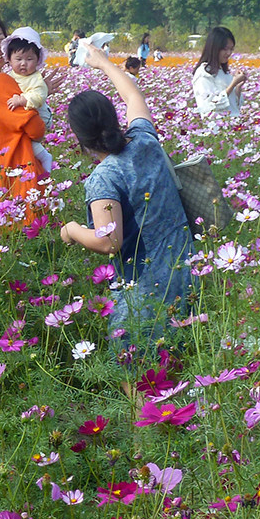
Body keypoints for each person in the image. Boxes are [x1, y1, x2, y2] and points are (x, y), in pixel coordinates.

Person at [60, 41, 194, 343]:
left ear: (79, 138)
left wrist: (72, 230)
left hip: (149, 284)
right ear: (114, 118)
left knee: (132, 363)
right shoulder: (144, 138)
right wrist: (104, 63)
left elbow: (109, 241)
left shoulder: (103, 178)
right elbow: (133, 94)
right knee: (184, 352)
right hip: (187, 263)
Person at [0, 16, 55, 223]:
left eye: (0, 40)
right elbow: (36, 130)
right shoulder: (0, 83)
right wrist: (40, 101)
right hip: (15, 180)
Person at [3, 27, 54, 174]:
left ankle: (45, 157)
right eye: (18, 59)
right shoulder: (9, 76)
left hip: (40, 115)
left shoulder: (36, 78)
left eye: (29, 59)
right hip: (26, 115)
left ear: (38, 60)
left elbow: (39, 97)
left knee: (28, 141)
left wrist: (22, 100)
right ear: (9, 59)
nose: (23, 63)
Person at [192, 26, 246, 117]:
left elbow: (234, 106)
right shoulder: (204, 73)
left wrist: (238, 87)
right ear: (214, 48)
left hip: (232, 124)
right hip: (217, 127)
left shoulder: (223, 72)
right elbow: (210, 106)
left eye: (231, 49)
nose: (229, 53)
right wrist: (233, 84)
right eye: (225, 49)